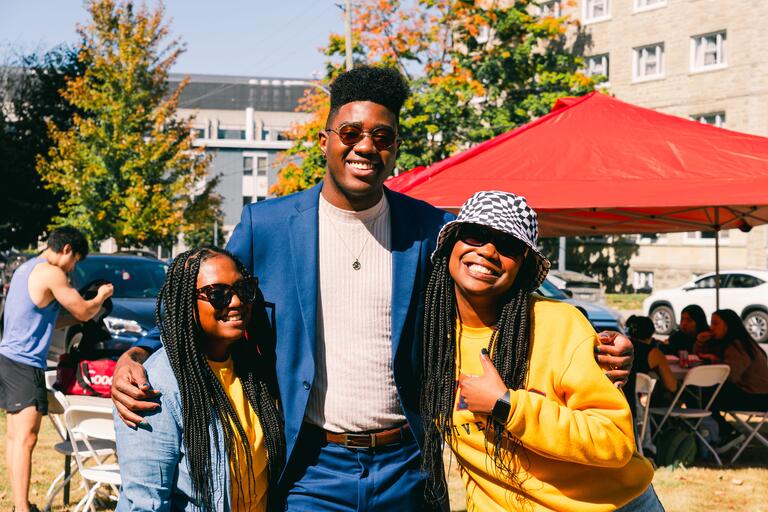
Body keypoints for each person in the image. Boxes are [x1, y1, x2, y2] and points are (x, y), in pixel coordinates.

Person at [110, 66, 634, 510]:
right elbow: (201, 300)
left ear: (395, 148)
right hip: (309, 464)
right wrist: (137, 355)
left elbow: (495, 295)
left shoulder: (428, 229)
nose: (366, 146)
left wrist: (598, 346)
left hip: (407, 463)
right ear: (325, 141)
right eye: (351, 133)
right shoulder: (265, 226)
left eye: (382, 137)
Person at [419, 191, 660, 512]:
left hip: (611, 504)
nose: (488, 251)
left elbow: (614, 440)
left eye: (508, 245)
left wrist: (506, 405)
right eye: (475, 235)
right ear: (451, 244)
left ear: (523, 265)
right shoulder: (427, 336)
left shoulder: (559, 324)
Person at [115, 247, 284, 511]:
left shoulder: (256, 372)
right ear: (185, 303)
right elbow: (146, 503)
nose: (236, 302)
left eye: (244, 289)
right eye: (218, 294)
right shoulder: (153, 386)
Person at [0, 227, 113, 512]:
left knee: (16, 438)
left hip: (9, 360)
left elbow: (46, 320)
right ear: (66, 250)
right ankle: (22, 508)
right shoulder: (51, 272)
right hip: (24, 363)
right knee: (26, 439)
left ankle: (20, 505)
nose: (73, 268)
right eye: (75, 261)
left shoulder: (27, 268)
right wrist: (101, 296)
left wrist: (79, 315)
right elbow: (84, 310)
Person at [694, 309, 768, 453]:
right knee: (703, 393)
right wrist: (700, 342)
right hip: (753, 393)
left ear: (728, 326)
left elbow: (731, 375)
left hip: (758, 397)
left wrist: (716, 362)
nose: (711, 328)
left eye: (716, 324)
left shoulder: (738, 346)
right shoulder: (736, 343)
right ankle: (722, 432)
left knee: (703, 394)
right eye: (711, 323)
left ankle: (727, 432)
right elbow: (700, 354)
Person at [626, 315, 677, 404]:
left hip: (614, 395)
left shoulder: (620, 347)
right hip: (632, 402)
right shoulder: (653, 353)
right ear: (651, 333)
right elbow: (672, 386)